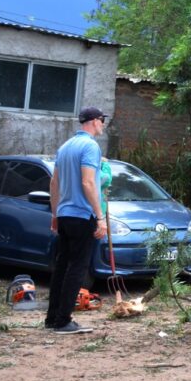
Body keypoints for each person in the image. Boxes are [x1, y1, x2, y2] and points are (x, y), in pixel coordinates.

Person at [44, 106, 110, 334]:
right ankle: (63, 321)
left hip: (64, 215)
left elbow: (54, 183)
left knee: (62, 267)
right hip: (83, 215)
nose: (103, 125)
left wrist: (55, 214)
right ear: (94, 121)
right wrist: (100, 217)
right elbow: (88, 183)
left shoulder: (65, 147)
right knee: (77, 268)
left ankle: (52, 318)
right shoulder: (91, 147)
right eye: (102, 120)